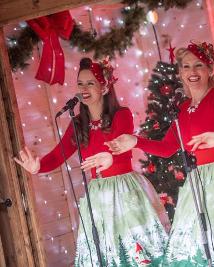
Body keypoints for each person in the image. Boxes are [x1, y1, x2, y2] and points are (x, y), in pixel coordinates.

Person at [106, 42, 214, 265]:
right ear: (180, 73)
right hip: (199, 183)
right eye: (186, 67)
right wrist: (135, 141)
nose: (192, 72)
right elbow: (168, 147)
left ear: (211, 70)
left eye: (198, 66)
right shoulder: (184, 108)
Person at [14, 58, 170, 266]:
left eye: (90, 83)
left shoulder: (121, 115)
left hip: (124, 189)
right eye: (80, 83)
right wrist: (38, 166)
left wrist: (110, 159)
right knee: (108, 253)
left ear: (104, 87)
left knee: (138, 251)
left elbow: (121, 144)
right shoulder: (78, 124)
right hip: (98, 196)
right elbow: (57, 155)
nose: (84, 88)